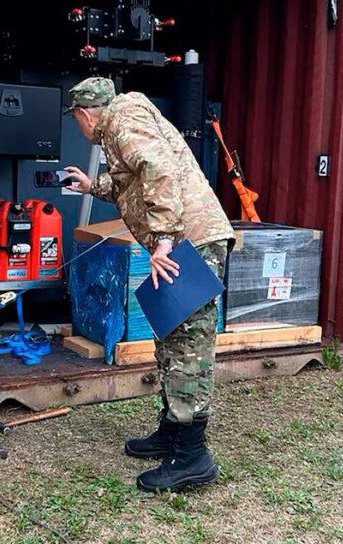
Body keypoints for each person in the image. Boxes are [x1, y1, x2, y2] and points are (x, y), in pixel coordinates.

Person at [64, 77, 235, 492]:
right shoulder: (125, 123)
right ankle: (172, 432)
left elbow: (159, 170)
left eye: (76, 122)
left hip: (189, 242)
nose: (79, 129)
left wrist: (161, 242)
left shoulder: (123, 121)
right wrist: (93, 186)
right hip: (183, 239)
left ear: (84, 114)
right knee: (171, 339)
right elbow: (134, 183)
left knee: (188, 345)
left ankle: (193, 457)